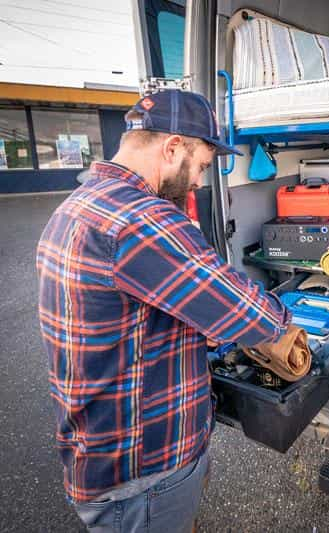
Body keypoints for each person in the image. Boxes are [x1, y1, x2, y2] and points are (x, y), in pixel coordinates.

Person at [36, 90, 292, 532]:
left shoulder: (79, 203)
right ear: (173, 148)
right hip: (144, 471)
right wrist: (285, 316)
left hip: (100, 450)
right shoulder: (141, 218)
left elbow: (135, 307)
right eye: (202, 166)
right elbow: (257, 317)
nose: (198, 182)